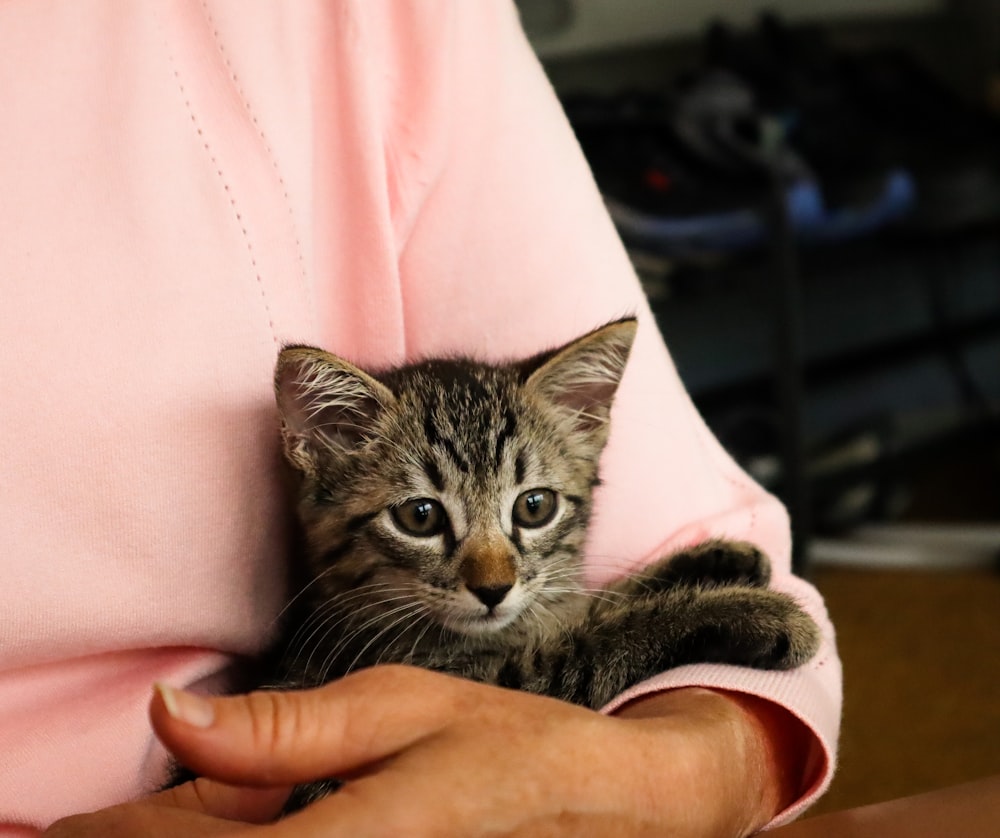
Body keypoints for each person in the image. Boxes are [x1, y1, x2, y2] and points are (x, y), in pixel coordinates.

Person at [0, 2, 841, 835]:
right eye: (422, 517)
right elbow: (521, 683)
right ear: (321, 448)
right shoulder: (350, 647)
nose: (490, 571)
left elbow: (532, 673)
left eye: (533, 510)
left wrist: (705, 741)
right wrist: (665, 625)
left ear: (586, 426)